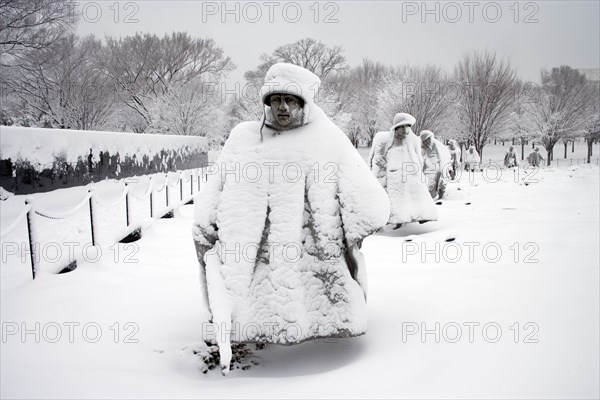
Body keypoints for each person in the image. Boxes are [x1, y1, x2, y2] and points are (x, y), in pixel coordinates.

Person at [192, 63, 390, 375]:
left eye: (291, 100)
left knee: (314, 300)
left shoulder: (327, 138)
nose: (283, 107)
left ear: (303, 104)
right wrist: (206, 222)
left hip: (311, 247)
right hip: (258, 248)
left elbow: (364, 191)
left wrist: (360, 220)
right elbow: (217, 187)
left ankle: (317, 356)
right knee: (259, 300)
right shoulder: (244, 139)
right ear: (267, 104)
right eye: (276, 100)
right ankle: (257, 340)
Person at [370, 113, 437, 227]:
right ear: (396, 127)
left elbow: (419, 158)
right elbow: (379, 158)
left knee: (416, 198)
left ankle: (421, 216)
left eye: (408, 126)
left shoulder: (414, 140)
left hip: (411, 174)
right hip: (394, 175)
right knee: (397, 201)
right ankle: (397, 223)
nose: (406, 129)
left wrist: (418, 173)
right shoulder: (387, 140)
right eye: (402, 126)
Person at [420, 130, 451, 199]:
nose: (429, 140)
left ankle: (436, 197)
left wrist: (442, 169)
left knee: (436, 184)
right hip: (425, 169)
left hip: (435, 168)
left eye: (429, 138)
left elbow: (441, 157)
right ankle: (429, 198)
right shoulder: (420, 146)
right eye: (427, 139)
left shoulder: (435, 145)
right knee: (426, 184)